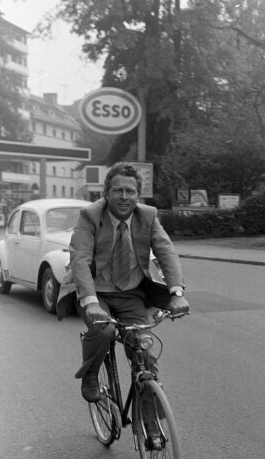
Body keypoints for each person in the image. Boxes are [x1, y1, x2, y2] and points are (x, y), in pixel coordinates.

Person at [57, 162, 189, 422]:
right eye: (118, 190)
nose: (124, 197)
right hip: (96, 292)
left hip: (131, 293)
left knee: (144, 351)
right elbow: (80, 259)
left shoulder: (147, 216)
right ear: (107, 193)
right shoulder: (90, 216)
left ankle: (151, 425)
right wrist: (91, 303)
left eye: (130, 191)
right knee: (103, 330)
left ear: (138, 195)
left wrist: (176, 293)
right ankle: (91, 374)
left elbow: (166, 252)